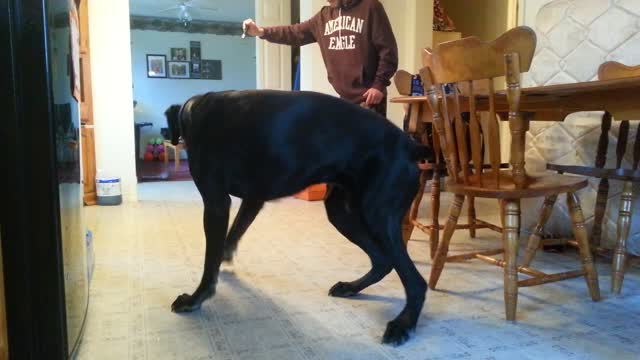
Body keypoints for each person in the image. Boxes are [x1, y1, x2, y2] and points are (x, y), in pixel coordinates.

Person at [243, 0, 398, 117]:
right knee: (347, 153)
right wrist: (261, 32)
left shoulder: (371, 7)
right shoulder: (323, 17)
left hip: (370, 98)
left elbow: (388, 50)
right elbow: (294, 32)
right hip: (343, 99)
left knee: (370, 154)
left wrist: (379, 85)